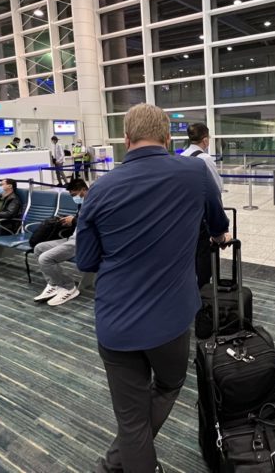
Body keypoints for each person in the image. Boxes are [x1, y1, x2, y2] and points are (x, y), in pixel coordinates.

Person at [76, 104, 230, 473]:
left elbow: (86, 261)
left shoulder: (99, 190)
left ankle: (123, 460)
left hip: (116, 323)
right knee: (170, 383)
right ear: (167, 139)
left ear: (126, 140)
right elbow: (218, 224)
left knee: (131, 420)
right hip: (171, 319)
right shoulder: (195, 172)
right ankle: (116, 461)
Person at [33, 179, 89, 306]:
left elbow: (93, 223)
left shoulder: (95, 202)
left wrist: (74, 220)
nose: (74, 197)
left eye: (74, 194)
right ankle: (54, 284)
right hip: (72, 238)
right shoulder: (83, 202)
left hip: (83, 241)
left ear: (83, 190)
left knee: (44, 259)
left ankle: (69, 287)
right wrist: (71, 220)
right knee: (39, 248)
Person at [181, 122, 223, 288]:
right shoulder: (205, 159)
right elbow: (216, 189)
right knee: (203, 255)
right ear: (205, 140)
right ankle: (204, 291)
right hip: (201, 218)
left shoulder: (181, 156)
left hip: (184, 217)